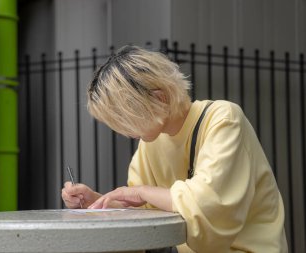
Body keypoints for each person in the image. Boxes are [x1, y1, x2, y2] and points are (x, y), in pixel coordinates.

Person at [61, 45, 288, 253]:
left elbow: (206, 208)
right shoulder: (150, 143)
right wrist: (96, 202)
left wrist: (141, 191)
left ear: (160, 97)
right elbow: (144, 215)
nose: (122, 130)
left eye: (124, 117)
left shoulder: (223, 119)